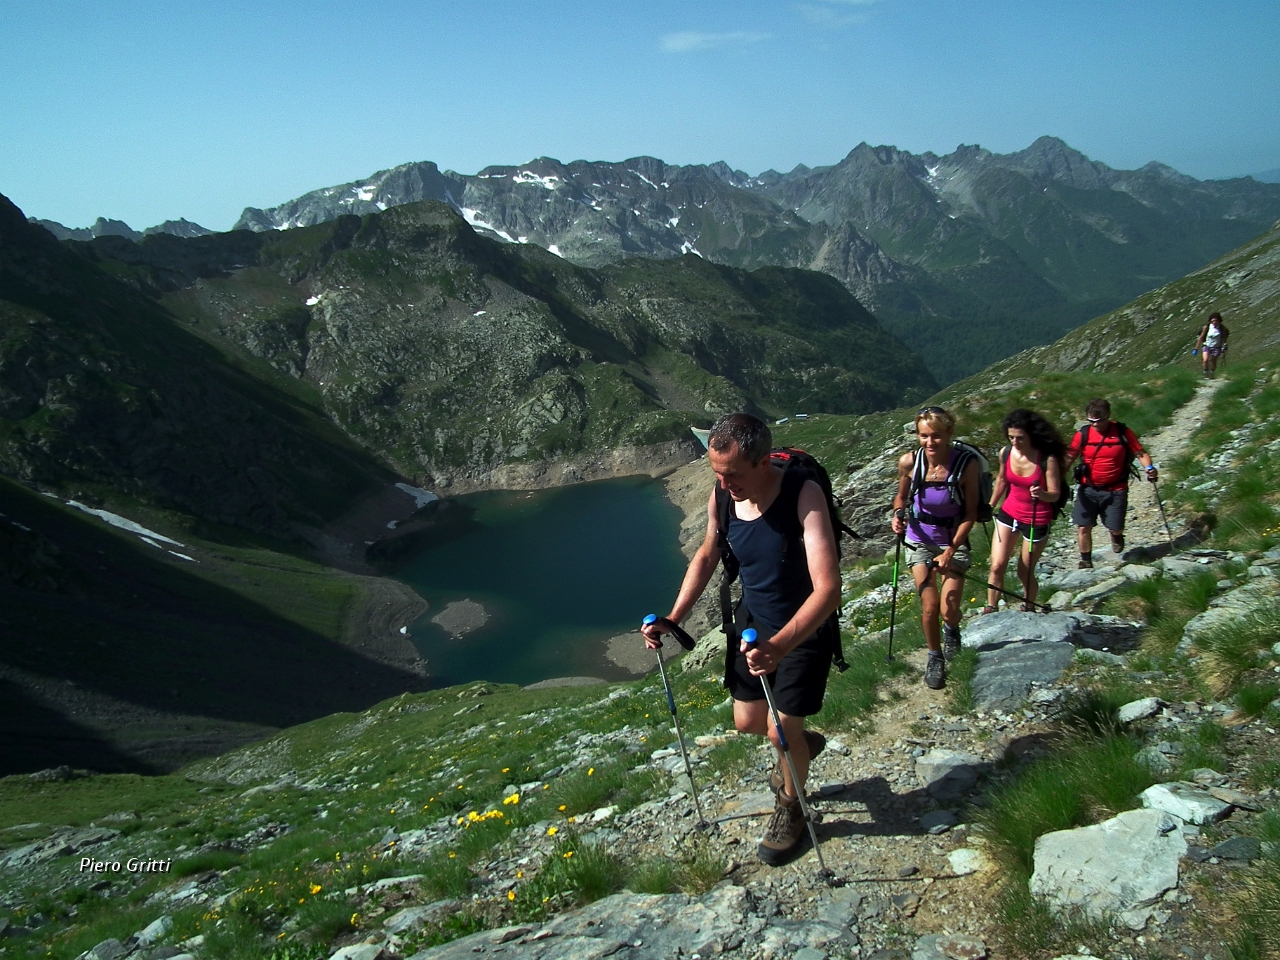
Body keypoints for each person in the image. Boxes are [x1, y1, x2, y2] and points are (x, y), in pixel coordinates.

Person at [641, 413, 840, 866]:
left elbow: (829, 590)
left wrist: (781, 646)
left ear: (764, 461)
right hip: (753, 624)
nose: (724, 482)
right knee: (748, 723)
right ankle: (802, 748)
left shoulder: (802, 495)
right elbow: (709, 553)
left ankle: (791, 809)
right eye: (717, 472)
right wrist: (674, 618)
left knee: (779, 731)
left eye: (733, 473)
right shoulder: (724, 496)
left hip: (802, 629)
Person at [890, 406, 979, 690]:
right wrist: (898, 515)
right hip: (919, 540)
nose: (930, 443)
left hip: (952, 541)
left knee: (949, 607)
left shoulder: (966, 466)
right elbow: (901, 498)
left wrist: (950, 551)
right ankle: (935, 656)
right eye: (924, 436)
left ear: (950, 433)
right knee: (929, 607)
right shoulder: (909, 462)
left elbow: (970, 514)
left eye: (937, 436)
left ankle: (952, 630)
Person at [984, 409, 1064, 614]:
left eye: (1020, 438)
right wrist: (990, 505)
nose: (1015, 442)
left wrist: (1042, 494)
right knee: (996, 565)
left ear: (1032, 436)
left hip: (1036, 518)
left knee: (1025, 570)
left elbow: (1055, 494)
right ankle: (991, 607)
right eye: (1011, 437)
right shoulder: (1007, 453)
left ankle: (1029, 606)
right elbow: (1002, 480)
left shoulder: (1047, 459)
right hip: (1009, 513)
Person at [1062, 399, 1156, 568]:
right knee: (1083, 526)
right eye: (1091, 421)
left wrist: (1149, 468)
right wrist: (1056, 476)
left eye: (1099, 421)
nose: (1095, 425)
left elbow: (1140, 453)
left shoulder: (1122, 432)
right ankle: (1085, 561)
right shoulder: (1083, 434)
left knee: (1115, 527)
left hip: (1116, 489)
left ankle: (1116, 535)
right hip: (1087, 489)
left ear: (1108, 416)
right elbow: (1070, 456)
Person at [1196, 312, 1229, 377]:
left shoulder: (1222, 328)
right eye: (1212, 321)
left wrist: (1225, 344)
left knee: (1213, 361)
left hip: (1217, 347)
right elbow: (1201, 337)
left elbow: (1224, 337)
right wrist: (1196, 348)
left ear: (1219, 321)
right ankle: (1205, 374)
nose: (1214, 322)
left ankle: (1212, 374)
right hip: (1207, 346)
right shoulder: (1207, 327)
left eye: (1215, 320)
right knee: (1205, 360)